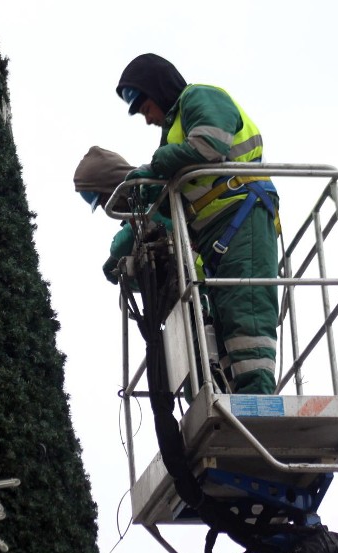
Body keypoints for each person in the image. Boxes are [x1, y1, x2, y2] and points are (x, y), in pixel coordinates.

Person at [116, 53, 279, 395]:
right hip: (216, 230)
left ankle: (258, 394)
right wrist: (148, 182)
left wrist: (157, 164)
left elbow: (209, 145)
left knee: (245, 306)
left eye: (146, 110)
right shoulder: (174, 126)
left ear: (157, 92)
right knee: (225, 314)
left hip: (241, 213)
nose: (148, 121)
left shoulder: (200, 97)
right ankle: (238, 391)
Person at [73, 146, 172, 288]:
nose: (105, 207)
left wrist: (115, 256)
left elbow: (122, 243)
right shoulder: (136, 204)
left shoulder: (148, 192)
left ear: (113, 187)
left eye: (103, 200)